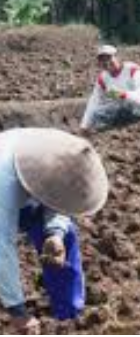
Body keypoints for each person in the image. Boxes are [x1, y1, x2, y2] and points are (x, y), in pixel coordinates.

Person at [0, 128, 109, 334]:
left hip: (23, 190)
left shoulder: (52, 150)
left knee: (63, 238)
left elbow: (59, 195)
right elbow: (1, 246)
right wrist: (18, 311)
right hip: (5, 190)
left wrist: (55, 233)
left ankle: (67, 316)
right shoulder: (3, 183)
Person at [80, 45, 140, 132]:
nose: (106, 63)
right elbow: (94, 101)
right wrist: (84, 125)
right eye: (102, 60)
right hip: (126, 108)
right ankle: (124, 124)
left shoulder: (131, 70)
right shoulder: (103, 78)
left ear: (117, 57)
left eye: (109, 58)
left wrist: (124, 95)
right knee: (98, 113)